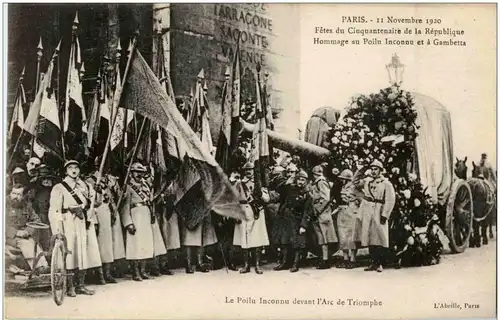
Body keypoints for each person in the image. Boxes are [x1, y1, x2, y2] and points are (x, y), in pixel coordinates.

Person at [48, 160, 97, 296]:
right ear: (66, 171)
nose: (74, 170)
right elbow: (55, 210)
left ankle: (80, 285)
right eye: (70, 168)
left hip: (81, 221)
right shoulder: (59, 187)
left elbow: (93, 203)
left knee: (82, 253)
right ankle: (70, 287)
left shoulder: (84, 186)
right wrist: (58, 230)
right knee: (70, 254)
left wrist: (92, 193)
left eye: (76, 167)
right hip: (68, 220)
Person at [263, 170, 314, 273]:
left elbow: (307, 212)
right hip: (285, 219)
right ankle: (284, 262)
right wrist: (287, 181)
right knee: (284, 242)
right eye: (299, 179)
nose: (300, 181)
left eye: (303, 180)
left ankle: (296, 264)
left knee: (297, 243)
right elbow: (279, 189)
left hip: (297, 220)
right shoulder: (290, 188)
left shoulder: (307, 194)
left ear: (306, 181)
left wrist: (303, 226)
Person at [354, 160, 396, 273]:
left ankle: (380, 263)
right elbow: (355, 182)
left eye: (376, 169)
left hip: (379, 210)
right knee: (369, 237)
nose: (373, 171)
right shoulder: (367, 181)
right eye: (371, 169)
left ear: (380, 171)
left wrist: (385, 214)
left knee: (380, 237)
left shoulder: (386, 183)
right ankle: (373, 262)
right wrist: (362, 170)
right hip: (367, 210)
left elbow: (390, 200)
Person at [120, 163, 155, 281]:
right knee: (135, 245)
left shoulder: (145, 185)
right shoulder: (128, 187)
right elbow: (124, 207)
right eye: (136, 172)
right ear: (131, 173)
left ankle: (143, 270)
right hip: (135, 216)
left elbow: (150, 201)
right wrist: (128, 222)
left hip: (146, 215)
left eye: (141, 172)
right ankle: (135, 272)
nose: (139, 174)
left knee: (146, 244)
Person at [233, 163, 270, 274]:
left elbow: (267, 199)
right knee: (244, 240)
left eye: (251, 169)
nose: (249, 172)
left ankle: (257, 265)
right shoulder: (239, 184)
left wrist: (260, 194)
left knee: (257, 239)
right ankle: (246, 265)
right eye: (247, 170)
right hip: (244, 212)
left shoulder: (259, 183)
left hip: (256, 212)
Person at [5, 184, 49, 278]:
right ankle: (38, 268)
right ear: (10, 193)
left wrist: (27, 231)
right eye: (14, 193)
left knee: (34, 242)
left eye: (19, 195)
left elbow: (37, 220)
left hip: (24, 235)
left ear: (23, 196)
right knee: (26, 243)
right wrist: (16, 232)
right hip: (7, 237)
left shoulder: (26, 205)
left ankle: (44, 267)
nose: (16, 197)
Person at [86, 169, 119, 284]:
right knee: (96, 245)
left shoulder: (107, 180)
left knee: (107, 245)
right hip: (96, 212)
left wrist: (113, 210)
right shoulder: (89, 181)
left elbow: (110, 198)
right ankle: (97, 274)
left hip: (106, 212)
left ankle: (107, 273)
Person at [308, 164, 337, 269]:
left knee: (324, 237)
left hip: (322, 213)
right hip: (320, 212)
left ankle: (326, 260)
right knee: (322, 237)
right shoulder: (318, 182)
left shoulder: (321, 183)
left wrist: (317, 209)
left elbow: (325, 198)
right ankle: (324, 259)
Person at [334, 169, 358, 269]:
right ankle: (345, 258)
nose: (342, 180)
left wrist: (354, 202)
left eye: (343, 179)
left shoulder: (354, 188)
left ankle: (352, 259)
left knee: (351, 237)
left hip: (351, 212)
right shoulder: (343, 187)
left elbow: (360, 198)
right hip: (342, 211)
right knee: (342, 236)